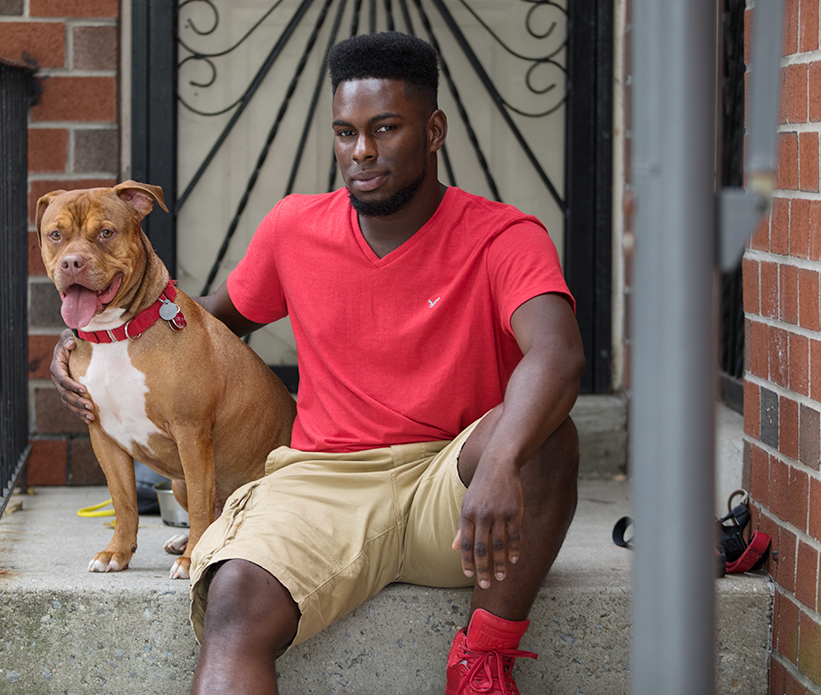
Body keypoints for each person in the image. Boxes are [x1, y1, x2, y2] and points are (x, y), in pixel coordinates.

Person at [51, 32, 584, 695]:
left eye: (385, 128)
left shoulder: (504, 234)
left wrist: (501, 460)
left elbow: (558, 353)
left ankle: (484, 659)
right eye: (346, 132)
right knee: (235, 597)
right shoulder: (293, 228)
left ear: (434, 129)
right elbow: (198, 322)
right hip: (321, 484)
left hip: (456, 490)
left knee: (546, 438)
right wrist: (91, 341)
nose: (361, 151)